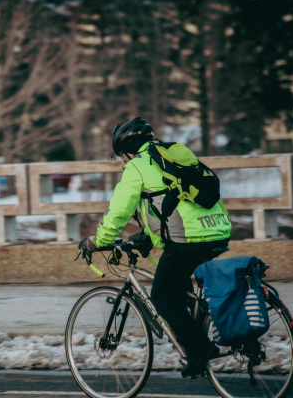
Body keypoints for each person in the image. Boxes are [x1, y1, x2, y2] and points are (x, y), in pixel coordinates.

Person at [79, 117, 232, 378]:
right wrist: (148, 237)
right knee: (179, 291)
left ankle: (200, 350)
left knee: (161, 296)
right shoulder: (173, 154)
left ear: (127, 150)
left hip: (188, 240)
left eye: (121, 157)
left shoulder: (137, 166)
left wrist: (99, 241)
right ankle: (196, 355)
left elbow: (117, 212)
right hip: (217, 230)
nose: (123, 162)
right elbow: (172, 202)